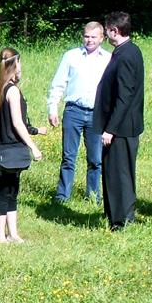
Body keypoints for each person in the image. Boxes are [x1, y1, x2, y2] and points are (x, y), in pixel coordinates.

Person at [47, 21, 112, 204]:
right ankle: (63, 196)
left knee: (95, 159)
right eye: (86, 36)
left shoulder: (108, 59)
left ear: (102, 38)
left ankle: (93, 196)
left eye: (93, 37)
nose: (89, 40)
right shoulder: (71, 56)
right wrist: (53, 108)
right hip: (73, 111)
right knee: (68, 157)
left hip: (96, 114)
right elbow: (58, 83)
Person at [92, 12, 145, 230]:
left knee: (119, 173)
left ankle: (121, 220)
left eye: (107, 31)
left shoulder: (126, 55)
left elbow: (125, 96)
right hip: (121, 125)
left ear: (115, 31)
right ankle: (117, 214)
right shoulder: (125, 51)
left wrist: (111, 129)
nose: (105, 35)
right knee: (114, 171)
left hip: (121, 127)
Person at [0, 47, 42, 242]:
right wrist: (33, 147)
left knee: (10, 189)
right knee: (5, 192)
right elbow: (18, 123)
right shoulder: (12, 91)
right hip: (12, 146)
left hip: (1, 146)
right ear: (15, 65)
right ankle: (0, 235)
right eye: (20, 65)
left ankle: (13, 233)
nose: (21, 69)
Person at [0, 69, 42, 227]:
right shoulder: (8, 93)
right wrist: (34, 139)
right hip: (3, 147)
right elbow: (19, 123)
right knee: (2, 187)